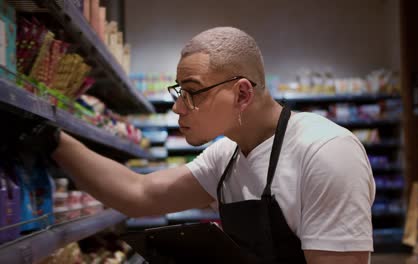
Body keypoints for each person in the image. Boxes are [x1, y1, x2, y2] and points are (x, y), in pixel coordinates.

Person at [30, 27, 375, 263]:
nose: (179, 107)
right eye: (179, 93)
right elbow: (140, 194)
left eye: (192, 92)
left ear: (241, 93)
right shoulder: (227, 155)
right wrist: (52, 139)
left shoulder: (325, 152)